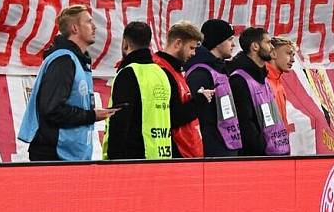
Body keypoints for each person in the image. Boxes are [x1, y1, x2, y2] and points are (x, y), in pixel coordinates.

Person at [18, 5, 118, 161]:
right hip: (56, 155)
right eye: (88, 22)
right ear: (75, 28)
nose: (94, 27)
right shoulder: (63, 61)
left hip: (70, 154)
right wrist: (91, 115)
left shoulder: (76, 60)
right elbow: (52, 109)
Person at [103, 21, 173, 160]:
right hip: (161, 155)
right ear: (149, 44)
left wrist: (113, 159)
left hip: (133, 159)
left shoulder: (128, 73)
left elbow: (120, 121)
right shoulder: (161, 73)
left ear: (125, 43)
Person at [228, 26, 291, 156]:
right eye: (268, 42)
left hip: (274, 152)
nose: (272, 47)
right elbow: (245, 124)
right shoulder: (239, 80)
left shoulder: (263, 78)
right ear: (255, 46)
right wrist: (263, 148)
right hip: (257, 158)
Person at [150, 21, 208, 158]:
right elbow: (172, 116)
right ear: (177, 44)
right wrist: (199, 100)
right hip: (175, 152)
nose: (194, 53)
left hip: (185, 150)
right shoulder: (162, 70)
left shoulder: (174, 69)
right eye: (191, 48)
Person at [185, 19, 242, 157]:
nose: (233, 44)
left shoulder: (220, 68)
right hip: (212, 151)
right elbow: (198, 116)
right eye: (229, 39)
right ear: (217, 42)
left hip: (228, 145)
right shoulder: (200, 72)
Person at [264, 37, 296, 127]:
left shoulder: (278, 83)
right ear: (273, 53)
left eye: (293, 55)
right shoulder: (262, 82)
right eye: (289, 53)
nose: (293, 59)